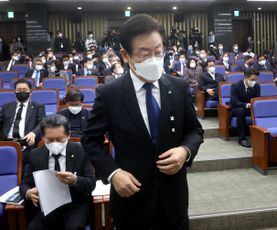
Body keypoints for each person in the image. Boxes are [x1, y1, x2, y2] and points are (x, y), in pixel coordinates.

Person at [81, 14, 204, 230]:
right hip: (131, 199)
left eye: (158, 52)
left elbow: (195, 130)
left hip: (173, 198)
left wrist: (185, 151)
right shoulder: (109, 94)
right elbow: (90, 140)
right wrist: (113, 172)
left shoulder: (178, 86)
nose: (154, 60)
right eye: (144, 54)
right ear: (125, 55)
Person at [19, 114, 96, 230]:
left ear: (68, 136)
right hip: (47, 208)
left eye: (59, 139)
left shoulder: (80, 150)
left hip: (74, 206)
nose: (55, 143)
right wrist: (29, 193)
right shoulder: (35, 155)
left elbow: (91, 183)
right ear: (43, 138)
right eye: (50, 140)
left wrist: (75, 180)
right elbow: (24, 184)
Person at [0, 79, 45, 166]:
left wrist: (33, 133)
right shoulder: (7, 106)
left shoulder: (37, 107)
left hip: (27, 143)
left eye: (25, 90)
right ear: (14, 92)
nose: (22, 92)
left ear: (30, 92)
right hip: (7, 143)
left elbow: (42, 122)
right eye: (19, 90)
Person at [230, 68, 260, 148]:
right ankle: (242, 138)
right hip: (237, 108)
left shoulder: (257, 86)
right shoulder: (235, 86)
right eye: (252, 79)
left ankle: (262, 136)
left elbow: (257, 99)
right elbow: (234, 102)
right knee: (240, 111)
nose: (254, 81)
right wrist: (246, 105)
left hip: (251, 109)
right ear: (246, 77)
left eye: (255, 80)